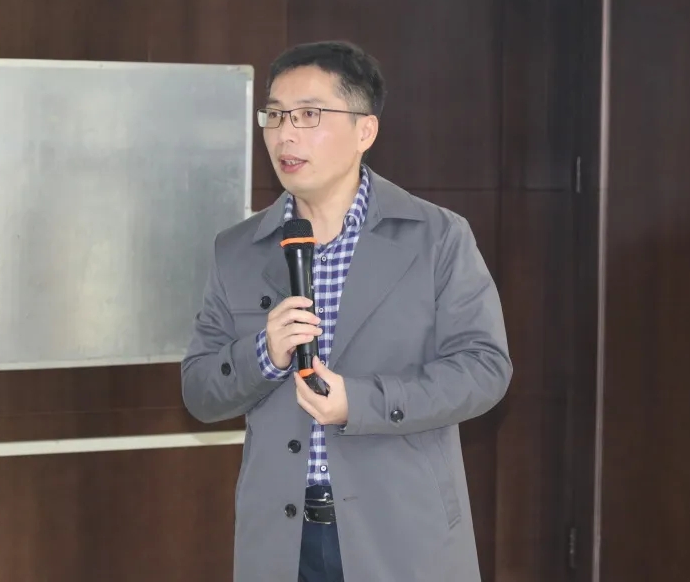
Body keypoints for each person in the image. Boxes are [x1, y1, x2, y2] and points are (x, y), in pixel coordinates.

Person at [180, 40, 512, 582]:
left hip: (401, 538)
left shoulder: (436, 237)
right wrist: (263, 354)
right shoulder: (238, 250)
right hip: (283, 543)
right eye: (275, 115)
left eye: (309, 114)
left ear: (365, 131)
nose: (285, 133)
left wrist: (361, 403)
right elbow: (199, 391)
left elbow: (484, 369)